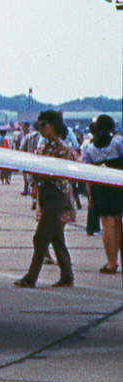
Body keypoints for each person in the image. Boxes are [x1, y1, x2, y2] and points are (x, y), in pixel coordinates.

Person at [14, 110, 76, 288]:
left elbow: (71, 172)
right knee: (56, 236)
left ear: (53, 126)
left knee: (40, 237)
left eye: (44, 125)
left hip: (56, 196)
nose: (40, 128)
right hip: (44, 194)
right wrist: (34, 185)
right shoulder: (41, 149)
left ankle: (31, 277)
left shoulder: (64, 150)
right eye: (39, 125)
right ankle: (67, 275)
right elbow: (33, 170)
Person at [81, 114, 122, 275]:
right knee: (118, 222)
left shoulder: (89, 148)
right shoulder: (118, 142)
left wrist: (90, 196)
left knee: (107, 224)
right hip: (118, 184)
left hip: (100, 188)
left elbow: (87, 174)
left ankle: (111, 262)